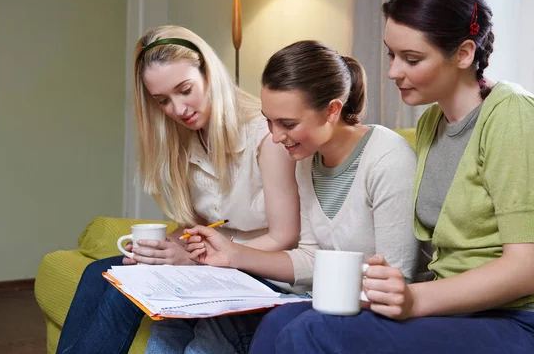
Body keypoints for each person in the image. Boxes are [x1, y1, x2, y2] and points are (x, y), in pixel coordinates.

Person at [248, 0, 534, 354]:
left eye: (412, 58)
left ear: (464, 53)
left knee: (313, 333)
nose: (392, 71)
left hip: (530, 318)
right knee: (279, 321)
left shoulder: (515, 117)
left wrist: (415, 300)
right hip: (460, 311)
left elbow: (526, 270)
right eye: (391, 54)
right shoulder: (432, 124)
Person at [55, 25, 300, 354]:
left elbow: (286, 236)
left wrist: (198, 261)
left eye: (185, 90)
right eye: (163, 101)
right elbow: (202, 224)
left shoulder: (266, 135)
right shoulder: (187, 139)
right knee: (100, 272)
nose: (178, 109)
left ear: (208, 73)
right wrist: (164, 251)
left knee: (121, 291)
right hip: (218, 263)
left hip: (263, 271)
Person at [172, 40, 420, 352]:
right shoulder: (307, 160)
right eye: (268, 121)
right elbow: (309, 257)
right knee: (214, 324)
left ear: (332, 110)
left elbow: (397, 281)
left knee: (262, 328)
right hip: (322, 301)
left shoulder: (387, 159)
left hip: (380, 314)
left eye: (287, 124)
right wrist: (232, 255)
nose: (275, 137)